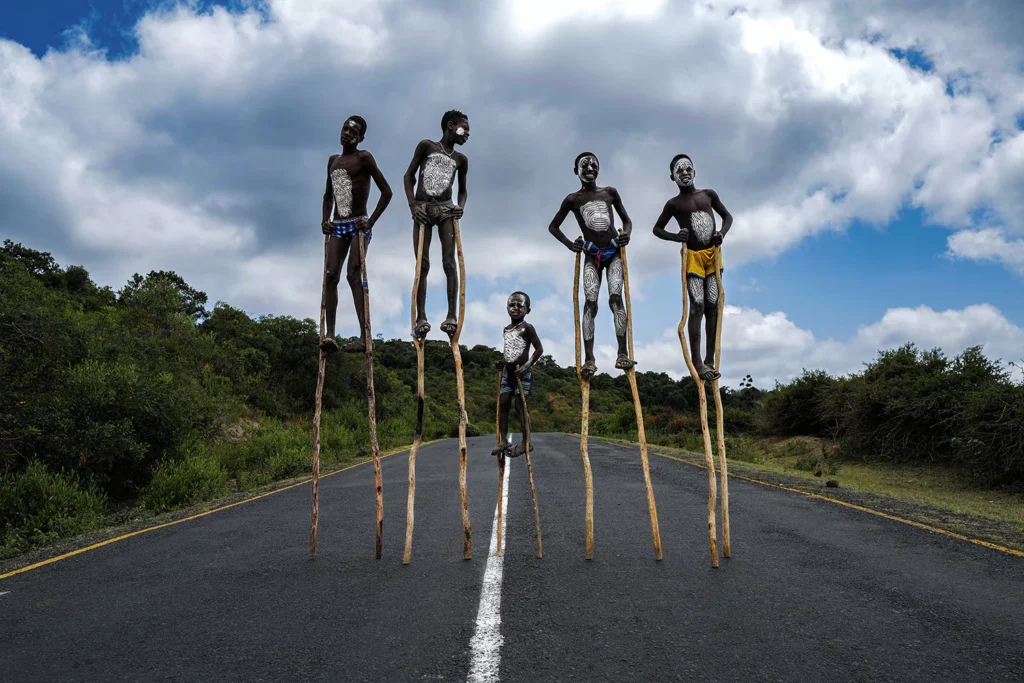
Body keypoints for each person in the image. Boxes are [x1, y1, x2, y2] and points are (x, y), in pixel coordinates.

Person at [547, 152, 633, 379]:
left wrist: (627, 236)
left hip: (614, 252)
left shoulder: (610, 193)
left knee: (616, 297)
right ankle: (589, 359)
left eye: (594, 164)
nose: (590, 167)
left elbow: (627, 220)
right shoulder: (573, 200)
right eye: (584, 165)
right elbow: (553, 227)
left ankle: (622, 352)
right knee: (590, 303)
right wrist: (571, 245)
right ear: (576, 171)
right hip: (591, 254)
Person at [652, 154, 733, 381]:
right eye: (680, 171)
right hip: (693, 259)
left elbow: (727, 217)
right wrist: (676, 236)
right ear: (673, 177)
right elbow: (657, 229)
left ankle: (709, 360)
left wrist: (721, 234)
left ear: (694, 171)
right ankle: (698, 363)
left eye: (688, 169)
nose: (685, 173)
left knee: (713, 305)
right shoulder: (674, 204)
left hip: (713, 256)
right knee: (697, 305)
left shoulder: (708, 195)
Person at [319, 115, 393, 353]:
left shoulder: (364, 158)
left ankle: (364, 337)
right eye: (346, 128)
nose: (347, 134)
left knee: (353, 274)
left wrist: (370, 222)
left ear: (360, 138)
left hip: (358, 224)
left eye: (354, 132)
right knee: (331, 275)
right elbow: (328, 195)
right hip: (338, 225)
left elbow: (387, 192)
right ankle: (330, 335)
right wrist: (325, 220)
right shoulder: (333, 161)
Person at [403, 110, 470, 338]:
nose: (467, 133)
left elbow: (462, 191)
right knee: (422, 264)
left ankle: (451, 315)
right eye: (464, 128)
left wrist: (460, 207)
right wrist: (413, 206)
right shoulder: (426, 146)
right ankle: (421, 317)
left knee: (449, 263)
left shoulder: (461, 160)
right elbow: (408, 176)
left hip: (445, 210)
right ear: (450, 126)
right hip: (422, 208)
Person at [491, 292, 544, 458]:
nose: (515, 308)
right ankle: (504, 440)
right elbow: (510, 350)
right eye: (512, 305)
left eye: (520, 306)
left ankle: (526, 441)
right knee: (504, 404)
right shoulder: (506, 329)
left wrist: (527, 366)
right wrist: (503, 363)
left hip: (523, 373)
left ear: (528, 310)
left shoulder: (527, 328)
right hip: (508, 374)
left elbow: (539, 349)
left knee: (520, 407)